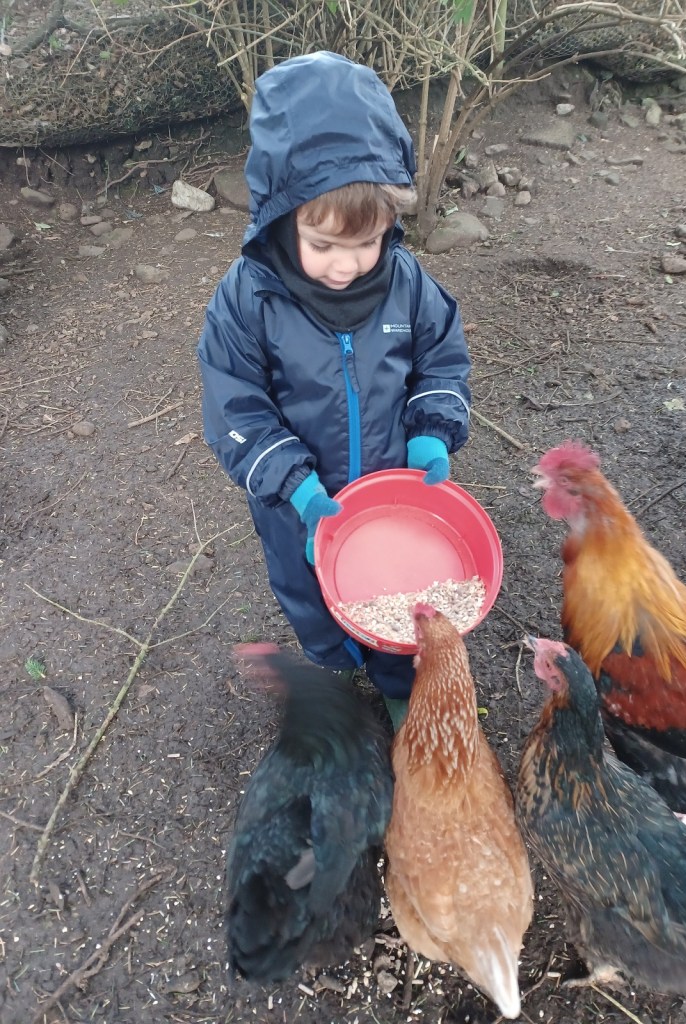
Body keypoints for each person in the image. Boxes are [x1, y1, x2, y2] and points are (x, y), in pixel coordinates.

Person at [197, 51, 471, 728]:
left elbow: (441, 356)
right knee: (310, 595)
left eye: (368, 242)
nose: (347, 265)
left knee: (397, 596)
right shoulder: (248, 300)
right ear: (282, 217)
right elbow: (235, 401)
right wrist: (294, 483)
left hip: (388, 496)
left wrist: (433, 426)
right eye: (324, 244)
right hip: (301, 504)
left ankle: (399, 682)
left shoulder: (407, 282)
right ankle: (337, 665)